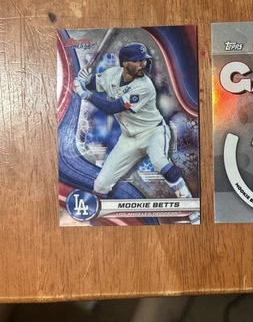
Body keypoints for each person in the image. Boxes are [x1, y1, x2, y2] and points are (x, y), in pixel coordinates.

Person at [73, 42, 200, 224]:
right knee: (101, 184)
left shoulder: (144, 86)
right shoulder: (112, 74)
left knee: (159, 161)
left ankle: (192, 210)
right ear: (125, 63)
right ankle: (96, 221)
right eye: (138, 61)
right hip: (129, 138)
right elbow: (94, 83)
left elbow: (113, 107)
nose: (143, 64)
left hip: (153, 132)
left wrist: (86, 94)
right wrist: (85, 80)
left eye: (144, 60)